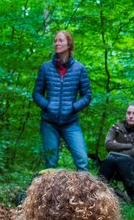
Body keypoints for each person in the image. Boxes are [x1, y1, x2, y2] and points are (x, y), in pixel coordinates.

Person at [32, 30, 92, 171]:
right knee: (50, 163)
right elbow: (36, 93)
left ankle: (84, 193)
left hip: (70, 122)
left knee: (82, 161)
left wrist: (73, 107)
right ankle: (48, 193)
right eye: (55, 41)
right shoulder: (46, 67)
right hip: (49, 122)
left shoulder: (80, 69)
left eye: (60, 40)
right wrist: (47, 106)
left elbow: (87, 96)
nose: (56, 43)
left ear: (69, 44)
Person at [98, 102, 134, 204]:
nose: (131, 116)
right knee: (109, 159)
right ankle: (98, 198)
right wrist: (130, 146)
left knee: (120, 159)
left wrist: (119, 149)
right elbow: (108, 145)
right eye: (128, 113)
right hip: (115, 165)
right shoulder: (116, 127)